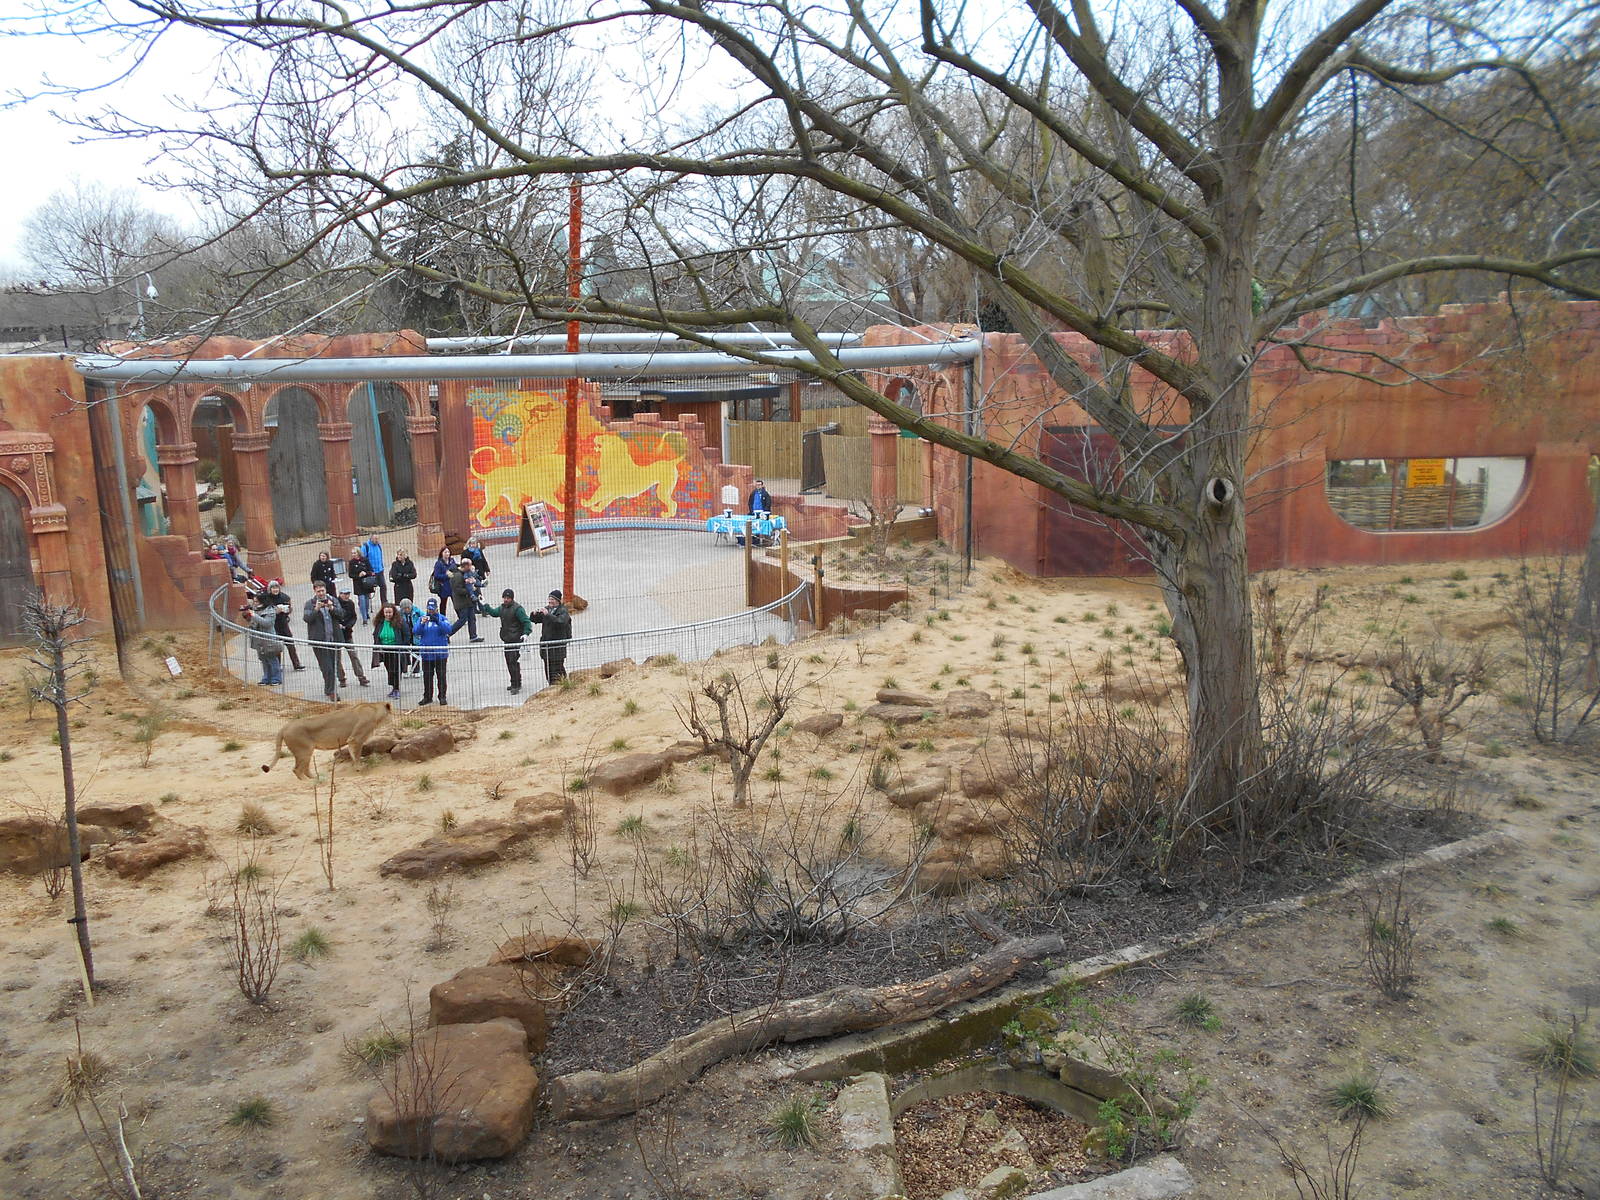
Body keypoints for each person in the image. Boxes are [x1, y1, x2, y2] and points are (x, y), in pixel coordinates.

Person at [478, 587, 533, 693]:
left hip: (515, 639)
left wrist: (526, 633)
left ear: (512, 598)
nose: (506, 600)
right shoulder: (502, 608)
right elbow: (494, 613)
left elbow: (526, 622)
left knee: (513, 662)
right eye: (504, 597)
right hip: (507, 639)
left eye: (508, 598)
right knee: (509, 662)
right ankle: (514, 682)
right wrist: (485, 605)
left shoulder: (518, 609)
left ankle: (516, 684)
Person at [414, 597, 466, 706]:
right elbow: (416, 631)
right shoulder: (422, 618)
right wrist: (422, 623)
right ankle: (427, 696)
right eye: (429, 609)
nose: (431, 611)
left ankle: (442, 696)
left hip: (440, 654)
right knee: (427, 676)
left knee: (441, 676)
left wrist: (438, 621)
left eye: (433, 609)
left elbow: (448, 630)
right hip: (427, 654)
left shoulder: (442, 618)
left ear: (436, 609)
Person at [303, 581, 343, 701]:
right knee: (326, 667)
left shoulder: (333, 600)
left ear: (326, 590)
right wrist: (316, 609)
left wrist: (331, 607)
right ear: (314, 591)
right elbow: (307, 618)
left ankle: (328, 688)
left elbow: (341, 614)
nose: (321, 593)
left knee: (333, 666)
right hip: (319, 641)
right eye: (318, 591)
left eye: (322, 590)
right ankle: (332, 691)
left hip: (333, 639)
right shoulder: (310, 603)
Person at [254, 580, 304, 672]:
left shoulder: (284, 597)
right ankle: (278, 666)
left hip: (283, 623)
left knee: (290, 644)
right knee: (276, 646)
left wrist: (288, 610)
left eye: (276, 587)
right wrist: (275, 612)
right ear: (270, 589)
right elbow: (263, 610)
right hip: (273, 625)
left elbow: (290, 607)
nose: (275, 589)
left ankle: (297, 664)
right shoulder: (267, 598)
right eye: (273, 588)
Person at [530, 589, 573, 686]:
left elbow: (560, 622)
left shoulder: (563, 611)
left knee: (558, 668)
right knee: (548, 668)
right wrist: (534, 615)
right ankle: (551, 685)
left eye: (552, 599)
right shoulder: (547, 609)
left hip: (557, 646)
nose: (550, 601)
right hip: (546, 645)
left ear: (558, 600)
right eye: (549, 599)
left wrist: (548, 615)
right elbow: (536, 620)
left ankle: (562, 685)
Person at [370, 601, 412, 699]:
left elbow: (407, 635)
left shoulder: (400, 622)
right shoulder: (380, 622)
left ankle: (396, 688)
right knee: (389, 670)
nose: (388, 614)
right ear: (383, 612)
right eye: (386, 612)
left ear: (393, 612)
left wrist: (402, 646)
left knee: (397, 670)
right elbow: (376, 634)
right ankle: (393, 687)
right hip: (385, 650)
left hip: (397, 650)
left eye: (390, 612)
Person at [333, 587, 371, 687]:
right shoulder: (335, 603)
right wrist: (337, 626)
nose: (346, 596)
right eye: (344, 594)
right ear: (340, 594)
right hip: (336, 635)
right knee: (337, 658)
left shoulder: (350, 603)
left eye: (348, 594)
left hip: (347, 634)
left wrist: (348, 626)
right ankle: (341, 678)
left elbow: (353, 617)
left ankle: (361, 676)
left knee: (354, 656)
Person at [243, 603, 284, 685]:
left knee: (272, 659)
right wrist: (247, 616)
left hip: (268, 639)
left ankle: (276, 678)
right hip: (258, 639)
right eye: (255, 601)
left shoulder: (270, 611)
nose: (255, 603)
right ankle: (266, 677)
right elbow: (253, 624)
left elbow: (267, 623)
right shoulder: (255, 610)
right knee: (263, 659)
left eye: (257, 601)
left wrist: (254, 615)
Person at [448, 556, 484, 642]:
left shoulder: (464, 574)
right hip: (461, 602)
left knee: (472, 618)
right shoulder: (457, 576)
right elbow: (457, 590)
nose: (471, 567)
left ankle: (473, 636)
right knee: (462, 620)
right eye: (470, 565)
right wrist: (470, 590)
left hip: (468, 601)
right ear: (466, 566)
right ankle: (448, 633)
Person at [348, 551, 377, 622]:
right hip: (358, 584)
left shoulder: (365, 560)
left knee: (366, 601)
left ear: (358, 553)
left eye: (355, 553)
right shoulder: (351, 562)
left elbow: (371, 571)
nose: (353, 554)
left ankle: (366, 613)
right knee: (361, 600)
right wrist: (358, 575)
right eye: (352, 553)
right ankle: (364, 618)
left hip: (366, 583)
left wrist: (365, 573)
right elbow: (350, 574)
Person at [397, 597, 422, 674]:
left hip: (415, 635)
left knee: (416, 652)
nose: (406, 610)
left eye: (408, 608)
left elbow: (424, 617)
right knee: (404, 653)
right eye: (404, 608)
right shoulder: (399, 614)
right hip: (405, 636)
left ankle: (416, 670)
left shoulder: (417, 612)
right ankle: (404, 670)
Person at [360, 533, 387, 604]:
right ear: (371, 538)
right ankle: (366, 603)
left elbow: (380, 557)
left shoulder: (378, 546)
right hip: (370, 572)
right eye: (375, 539)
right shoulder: (365, 547)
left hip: (379, 570)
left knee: (383, 586)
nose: (377, 540)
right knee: (368, 588)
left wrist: (382, 567)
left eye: (378, 538)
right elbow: (362, 559)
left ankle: (384, 602)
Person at [429, 548, 454, 615]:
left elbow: (455, 569)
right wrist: (446, 576)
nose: (447, 554)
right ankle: (443, 617)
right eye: (445, 552)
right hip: (443, 586)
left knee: (456, 602)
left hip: (452, 585)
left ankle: (461, 617)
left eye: (448, 552)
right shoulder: (438, 563)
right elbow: (436, 575)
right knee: (443, 603)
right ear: (442, 553)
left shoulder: (452, 561)